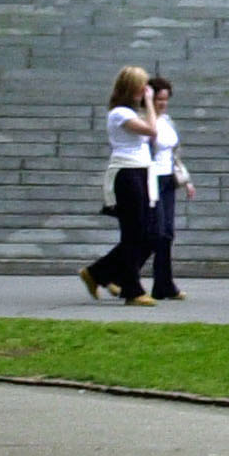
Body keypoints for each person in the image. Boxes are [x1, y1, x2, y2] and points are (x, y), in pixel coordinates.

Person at [80, 66, 160, 305]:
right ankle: (132, 290)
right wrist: (149, 103)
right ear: (129, 88)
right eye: (140, 87)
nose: (144, 91)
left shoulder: (131, 113)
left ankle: (98, 273)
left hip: (142, 172)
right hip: (127, 173)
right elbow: (152, 131)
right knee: (134, 233)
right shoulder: (119, 114)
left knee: (147, 234)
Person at [144, 73, 194, 302]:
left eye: (165, 100)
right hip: (149, 178)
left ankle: (163, 284)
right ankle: (113, 273)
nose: (162, 104)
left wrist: (186, 181)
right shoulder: (144, 120)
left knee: (167, 234)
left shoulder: (167, 120)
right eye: (158, 100)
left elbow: (174, 154)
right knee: (157, 233)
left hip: (167, 180)